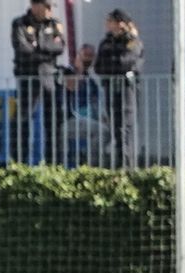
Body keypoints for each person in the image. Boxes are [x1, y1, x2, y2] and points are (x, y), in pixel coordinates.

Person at [11, 0, 66, 165]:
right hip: (28, 76)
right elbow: (22, 49)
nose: (50, 11)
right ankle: (19, 163)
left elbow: (60, 47)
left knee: (53, 122)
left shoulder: (55, 24)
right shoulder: (20, 23)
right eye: (47, 7)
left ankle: (54, 164)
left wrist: (37, 46)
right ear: (36, 6)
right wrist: (45, 52)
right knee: (23, 121)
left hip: (49, 77)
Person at [95, 8, 144, 170]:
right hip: (110, 88)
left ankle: (127, 165)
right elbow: (98, 67)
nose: (107, 25)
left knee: (126, 128)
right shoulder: (106, 42)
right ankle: (118, 165)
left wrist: (112, 62)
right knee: (115, 128)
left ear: (120, 24)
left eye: (110, 21)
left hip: (127, 89)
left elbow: (126, 62)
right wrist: (114, 64)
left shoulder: (132, 41)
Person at [61, 45, 110, 167]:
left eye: (91, 57)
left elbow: (96, 103)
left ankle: (89, 158)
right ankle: (91, 166)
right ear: (78, 55)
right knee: (102, 132)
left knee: (107, 130)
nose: (88, 60)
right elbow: (71, 87)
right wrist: (79, 70)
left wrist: (104, 118)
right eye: (85, 56)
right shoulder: (68, 72)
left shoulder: (91, 82)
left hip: (87, 119)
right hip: (69, 119)